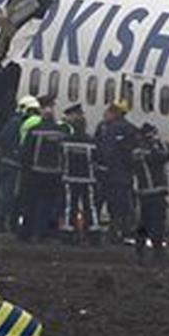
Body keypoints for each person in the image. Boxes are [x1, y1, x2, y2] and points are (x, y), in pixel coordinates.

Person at [18, 96, 66, 243]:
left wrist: (26, 170)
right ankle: (44, 233)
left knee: (31, 203)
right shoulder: (61, 131)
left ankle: (27, 233)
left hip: (35, 173)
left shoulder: (34, 130)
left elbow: (25, 153)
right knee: (49, 204)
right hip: (54, 174)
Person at [0, 96, 38, 232]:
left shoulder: (15, 122)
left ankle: (10, 222)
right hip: (13, 164)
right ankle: (1, 222)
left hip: (11, 162)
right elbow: (3, 139)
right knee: (10, 194)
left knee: (13, 194)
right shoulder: (16, 123)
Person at [97, 101, 138, 243]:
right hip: (123, 175)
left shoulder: (104, 128)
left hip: (107, 174)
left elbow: (103, 151)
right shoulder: (131, 129)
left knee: (104, 203)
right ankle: (121, 232)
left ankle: (110, 233)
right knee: (121, 207)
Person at [61, 104, 101, 244]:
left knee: (70, 205)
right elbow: (97, 159)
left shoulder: (66, 140)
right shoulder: (91, 141)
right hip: (88, 178)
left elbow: (62, 158)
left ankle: (68, 230)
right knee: (89, 205)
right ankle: (93, 231)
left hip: (69, 177)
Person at [133, 123, 169, 258]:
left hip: (144, 192)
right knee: (157, 223)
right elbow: (166, 155)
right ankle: (157, 250)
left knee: (144, 222)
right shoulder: (148, 150)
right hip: (155, 192)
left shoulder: (137, 149)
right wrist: (157, 144)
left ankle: (140, 249)